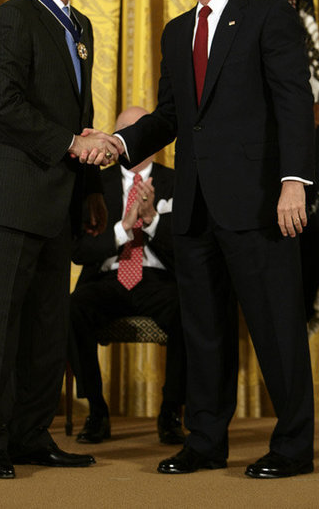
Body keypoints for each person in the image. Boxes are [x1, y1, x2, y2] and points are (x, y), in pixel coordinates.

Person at [102, 0, 316, 478]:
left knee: (276, 328)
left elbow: (295, 105)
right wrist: (120, 143)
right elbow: (172, 118)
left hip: (260, 205)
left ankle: (293, 448)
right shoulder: (177, 32)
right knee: (203, 332)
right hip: (196, 209)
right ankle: (205, 441)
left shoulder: (269, 16)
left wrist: (294, 181)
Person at [0, 0, 124, 479]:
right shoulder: (11, 19)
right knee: (0, 329)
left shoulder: (80, 27)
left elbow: (82, 117)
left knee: (46, 329)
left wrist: (93, 191)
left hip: (57, 203)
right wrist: (74, 146)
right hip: (7, 201)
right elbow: (2, 105)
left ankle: (32, 435)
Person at [70, 106, 186, 446]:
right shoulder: (94, 185)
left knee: (189, 309)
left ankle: (170, 411)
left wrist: (151, 222)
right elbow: (79, 252)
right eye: (123, 134)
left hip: (157, 279)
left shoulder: (177, 181)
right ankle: (96, 410)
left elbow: (189, 254)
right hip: (108, 279)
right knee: (73, 308)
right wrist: (123, 228)